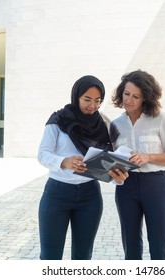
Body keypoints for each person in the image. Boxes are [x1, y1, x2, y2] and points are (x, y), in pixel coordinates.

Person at [37, 75, 128, 260]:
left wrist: (117, 177)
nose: (92, 106)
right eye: (87, 99)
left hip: (89, 196)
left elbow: (109, 160)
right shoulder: (58, 120)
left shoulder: (103, 125)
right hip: (57, 194)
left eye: (97, 101)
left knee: (83, 257)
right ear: (76, 96)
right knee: (49, 256)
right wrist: (64, 161)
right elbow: (43, 154)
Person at [110, 70, 165, 260]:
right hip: (126, 188)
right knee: (131, 249)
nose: (129, 100)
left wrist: (148, 157)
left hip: (156, 186)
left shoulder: (160, 119)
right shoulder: (115, 125)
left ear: (145, 98)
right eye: (126, 94)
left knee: (160, 249)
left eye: (136, 96)